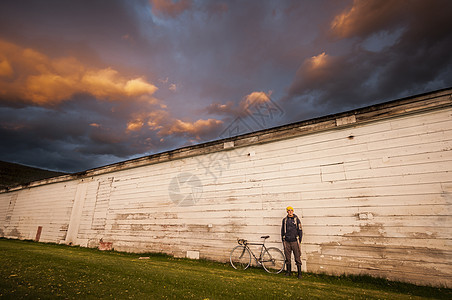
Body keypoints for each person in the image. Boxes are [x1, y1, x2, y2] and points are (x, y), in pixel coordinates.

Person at [281, 206, 303, 278]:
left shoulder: (297, 219)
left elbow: (300, 230)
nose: (290, 211)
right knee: (288, 257)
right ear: (287, 211)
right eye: (288, 210)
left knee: (297, 257)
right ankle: (288, 272)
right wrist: (283, 239)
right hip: (287, 241)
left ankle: (299, 273)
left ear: (293, 211)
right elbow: (282, 230)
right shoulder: (284, 220)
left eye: (291, 210)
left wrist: (299, 240)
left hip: (294, 242)